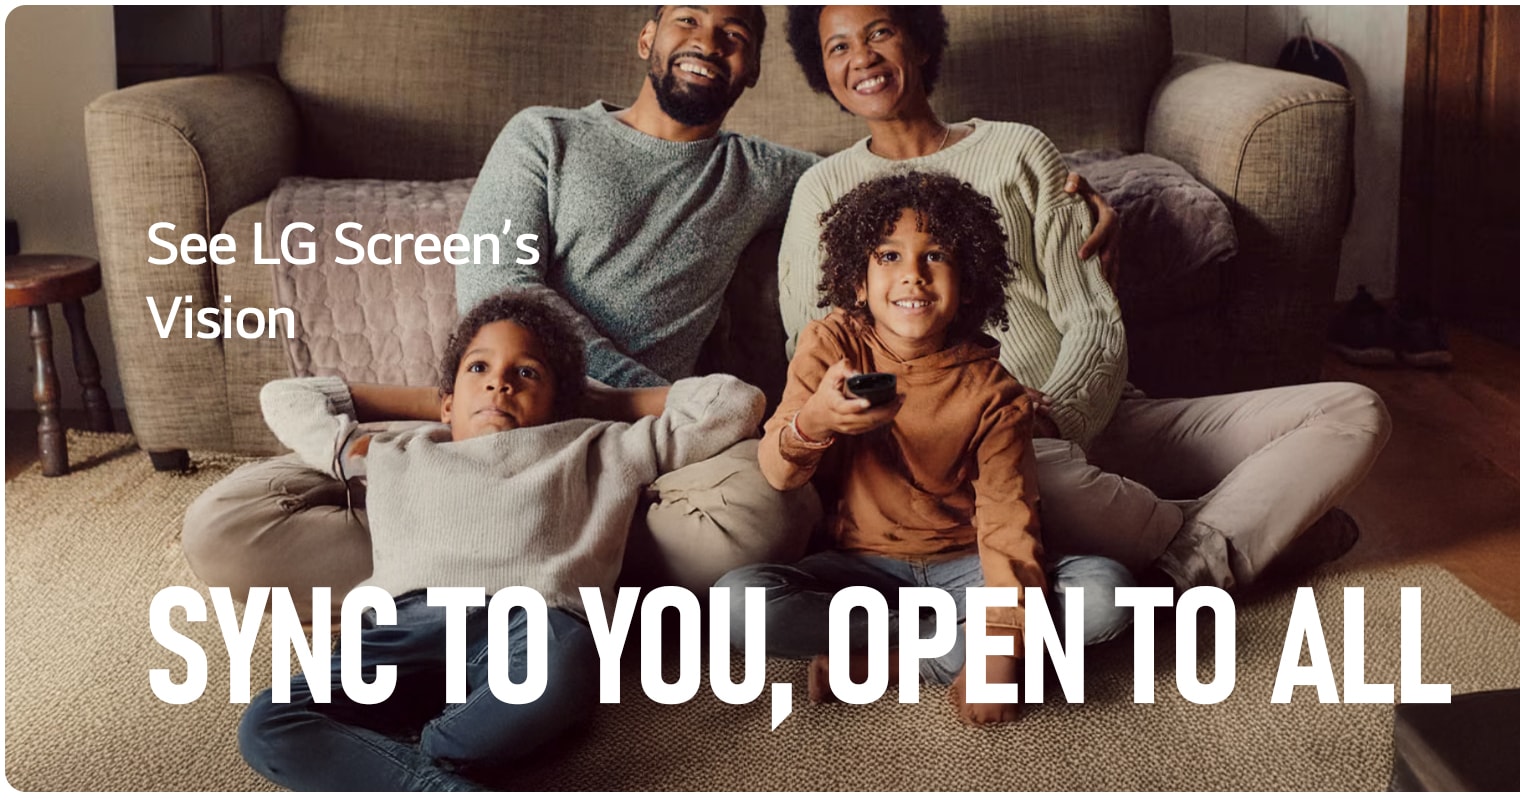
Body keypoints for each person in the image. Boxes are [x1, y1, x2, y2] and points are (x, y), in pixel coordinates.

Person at [184, 6, 823, 617]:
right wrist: (561, 394)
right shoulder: (546, 134)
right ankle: (546, 570)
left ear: (754, 69)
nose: (708, 42)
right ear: (646, 39)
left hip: (616, 451)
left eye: (733, 35)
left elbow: (872, 180)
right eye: (688, 20)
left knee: (774, 512)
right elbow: (497, 288)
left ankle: (484, 567)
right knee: (224, 527)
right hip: (493, 422)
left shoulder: (761, 172)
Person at [778, 6, 1392, 592]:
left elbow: (1092, 316)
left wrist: (1059, 414)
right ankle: (1246, 533)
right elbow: (818, 345)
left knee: (1354, 409)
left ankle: (1185, 561)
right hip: (978, 451)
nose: (862, 57)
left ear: (920, 42)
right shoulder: (821, 190)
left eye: (879, 33)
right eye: (839, 47)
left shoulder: (1021, 150)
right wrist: (1002, 431)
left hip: (1099, 413)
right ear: (822, 71)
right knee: (1039, 474)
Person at [237, 290, 766, 791]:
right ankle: (442, 780)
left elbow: (734, 402)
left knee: (559, 668)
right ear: (447, 400)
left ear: (563, 401)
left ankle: (426, 758)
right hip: (399, 632)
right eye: (479, 368)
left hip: (530, 623)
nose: (499, 384)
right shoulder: (393, 450)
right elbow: (287, 397)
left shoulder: (600, 444)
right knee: (267, 723)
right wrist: (441, 403)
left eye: (527, 372)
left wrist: (598, 403)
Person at [717, 173, 1134, 728]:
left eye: (935, 255)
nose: (912, 273)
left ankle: (888, 662)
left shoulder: (995, 391)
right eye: (888, 255)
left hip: (970, 571)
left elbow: (1009, 519)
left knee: (1109, 595)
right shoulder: (833, 343)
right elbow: (778, 472)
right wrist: (815, 419)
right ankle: (952, 649)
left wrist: (1003, 643)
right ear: (858, 282)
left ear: (966, 283)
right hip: (862, 570)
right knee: (734, 605)